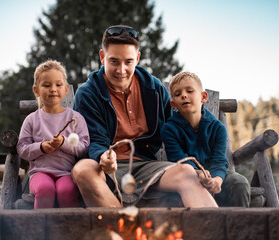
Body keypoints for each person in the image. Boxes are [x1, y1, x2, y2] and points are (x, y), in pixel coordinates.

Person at [72, 25, 218, 208]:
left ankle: (215, 230)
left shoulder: (154, 89)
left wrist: (200, 164)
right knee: (83, 170)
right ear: (102, 57)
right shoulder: (88, 93)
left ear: (138, 59)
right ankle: (125, 230)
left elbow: (176, 126)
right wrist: (102, 156)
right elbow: (93, 138)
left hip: (146, 165)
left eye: (128, 62)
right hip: (107, 168)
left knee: (188, 173)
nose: (121, 70)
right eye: (114, 61)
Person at [161, 71, 250, 207]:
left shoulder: (217, 128)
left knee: (240, 183)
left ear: (203, 97)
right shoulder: (169, 130)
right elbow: (178, 160)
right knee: (177, 193)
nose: (184, 95)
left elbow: (220, 160)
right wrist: (198, 174)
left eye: (189, 91)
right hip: (187, 177)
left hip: (216, 175)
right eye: (178, 94)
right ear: (174, 105)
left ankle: (237, 226)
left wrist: (217, 181)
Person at [17, 60, 90, 209]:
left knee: (67, 190)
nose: (53, 89)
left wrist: (64, 142)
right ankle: (42, 229)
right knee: (45, 190)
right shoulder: (32, 119)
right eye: (46, 85)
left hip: (67, 173)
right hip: (40, 173)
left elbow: (84, 147)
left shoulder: (75, 118)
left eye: (58, 85)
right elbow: (22, 148)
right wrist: (42, 147)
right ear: (36, 90)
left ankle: (69, 229)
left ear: (66, 89)